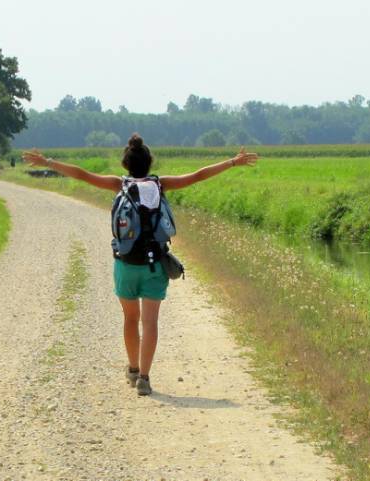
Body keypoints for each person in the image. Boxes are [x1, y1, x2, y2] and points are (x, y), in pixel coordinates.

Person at [21, 133, 258, 396]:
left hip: (125, 265)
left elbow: (81, 174)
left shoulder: (118, 184)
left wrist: (49, 162)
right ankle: (144, 378)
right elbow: (198, 175)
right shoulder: (161, 184)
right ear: (149, 163)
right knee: (150, 323)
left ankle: (133, 369)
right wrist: (232, 162)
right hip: (155, 265)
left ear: (126, 165)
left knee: (130, 319)